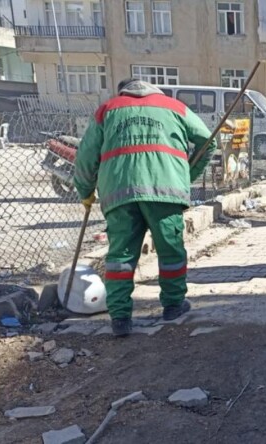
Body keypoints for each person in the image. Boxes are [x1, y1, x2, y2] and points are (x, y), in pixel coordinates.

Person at [74, 78, 216, 337]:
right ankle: (173, 306)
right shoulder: (174, 107)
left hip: (118, 192)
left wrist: (85, 192)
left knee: (120, 256)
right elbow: (208, 141)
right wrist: (185, 176)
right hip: (166, 190)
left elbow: (85, 156)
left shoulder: (108, 109)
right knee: (170, 251)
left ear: (122, 91)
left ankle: (120, 318)